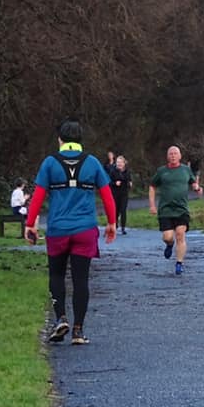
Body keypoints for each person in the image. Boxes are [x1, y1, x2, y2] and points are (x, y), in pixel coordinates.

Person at [24, 119, 117, 345]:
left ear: (60, 140)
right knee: (80, 279)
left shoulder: (50, 163)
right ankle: (78, 331)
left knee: (56, 275)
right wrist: (112, 223)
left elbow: (38, 196)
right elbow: (106, 195)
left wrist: (30, 224)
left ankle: (60, 319)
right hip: (84, 230)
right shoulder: (93, 163)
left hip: (58, 229)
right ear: (80, 140)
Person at [149, 145, 202, 275]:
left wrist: (197, 188)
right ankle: (169, 245)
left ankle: (179, 263)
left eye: (175, 153)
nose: (173, 156)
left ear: (180, 156)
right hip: (166, 209)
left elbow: (193, 182)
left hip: (181, 209)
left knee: (180, 234)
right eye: (170, 154)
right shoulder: (162, 171)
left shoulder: (185, 170)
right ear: (168, 156)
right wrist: (152, 205)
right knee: (167, 237)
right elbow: (152, 186)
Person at [111, 155, 132, 234]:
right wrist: (115, 183)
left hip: (124, 193)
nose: (119, 164)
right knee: (116, 210)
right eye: (117, 162)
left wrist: (130, 183)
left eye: (120, 162)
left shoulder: (127, 171)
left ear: (124, 163)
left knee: (123, 210)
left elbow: (129, 180)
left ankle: (123, 227)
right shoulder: (113, 171)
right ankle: (115, 225)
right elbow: (109, 182)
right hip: (115, 193)